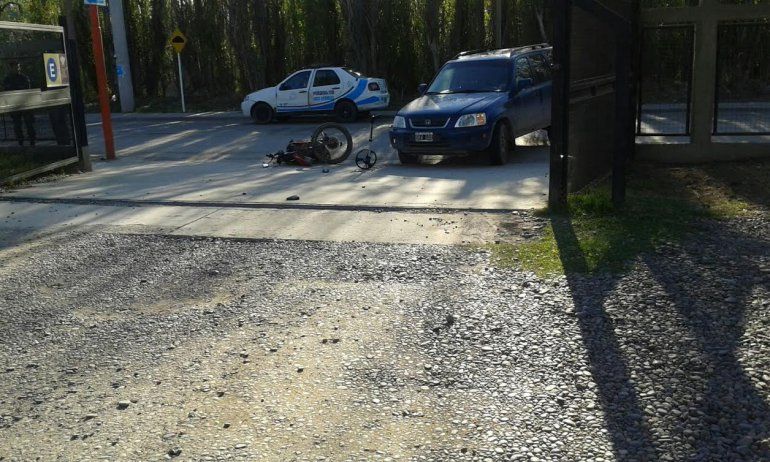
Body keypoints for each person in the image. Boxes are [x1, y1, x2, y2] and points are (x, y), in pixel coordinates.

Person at [2, 61, 36, 146]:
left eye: (18, 67)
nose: (17, 69)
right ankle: (20, 141)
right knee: (17, 125)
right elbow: (5, 92)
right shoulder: (7, 79)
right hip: (14, 106)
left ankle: (32, 141)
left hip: (24, 104)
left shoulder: (23, 78)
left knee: (29, 124)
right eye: (15, 67)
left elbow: (28, 90)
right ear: (11, 68)